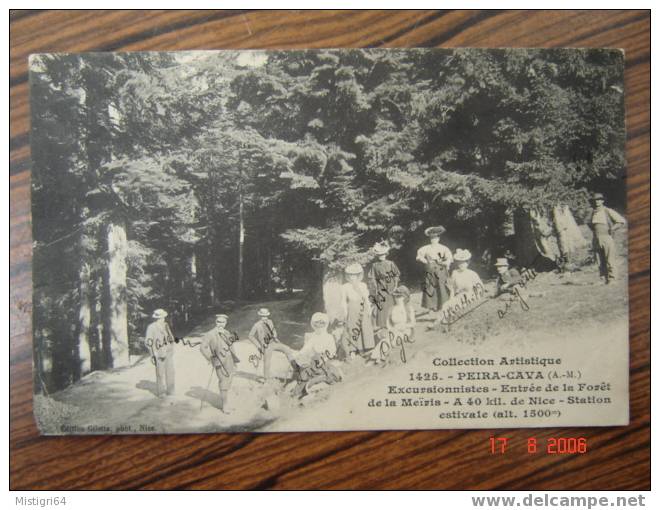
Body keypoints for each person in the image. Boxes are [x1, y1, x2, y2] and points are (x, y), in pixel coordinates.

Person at [200, 314, 239, 413]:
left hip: (229, 359)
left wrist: (234, 361)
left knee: (229, 380)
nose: (220, 324)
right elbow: (202, 347)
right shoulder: (210, 334)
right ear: (215, 322)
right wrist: (211, 358)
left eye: (223, 322)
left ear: (226, 323)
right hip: (219, 361)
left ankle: (225, 400)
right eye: (218, 322)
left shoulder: (227, 332)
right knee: (223, 381)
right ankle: (225, 406)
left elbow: (231, 346)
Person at [370, 285, 416, 364]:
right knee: (387, 338)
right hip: (394, 329)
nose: (397, 299)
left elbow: (413, 323)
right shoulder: (392, 309)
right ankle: (377, 357)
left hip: (406, 330)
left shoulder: (408, 308)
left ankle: (381, 356)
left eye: (400, 297)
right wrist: (391, 329)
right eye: (396, 297)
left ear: (405, 297)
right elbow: (389, 323)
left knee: (393, 338)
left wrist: (404, 326)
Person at [589, 192, 626, 284]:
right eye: (595, 200)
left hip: (607, 237)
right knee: (599, 260)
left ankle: (612, 279)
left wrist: (612, 228)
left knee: (610, 259)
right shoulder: (593, 212)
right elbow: (590, 224)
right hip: (596, 238)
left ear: (602, 201)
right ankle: (603, 278)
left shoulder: (607, 211)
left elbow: (621, 221)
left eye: (599, 200)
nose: (597, 202)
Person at [340, 263, 375, 356]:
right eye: (350, 275)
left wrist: (369, 309)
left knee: (364, 326)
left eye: (354, 275)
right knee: (353, 328)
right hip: (351, 309)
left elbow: (366, 298)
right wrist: (345, 312)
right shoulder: (345, 287)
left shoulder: (362, 285)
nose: (352, 277)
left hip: (362, 308)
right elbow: (343, 301)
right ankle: (353, 349)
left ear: (358, 275)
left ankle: (365, 347)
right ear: (348, 275)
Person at [416, 226, 453, 312]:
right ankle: (431, 306)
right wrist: (426, 261)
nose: (434, 239)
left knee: (441, 286)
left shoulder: (444, 248)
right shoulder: (425, 248)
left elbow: (449, 259)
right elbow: (419, 257)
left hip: (440, 270)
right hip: (430, 270)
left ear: (439, 238)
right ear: (430, 238)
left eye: (435, 238)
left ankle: (443, 305)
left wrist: (445, 263)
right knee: (430, 287)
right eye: (432, 238)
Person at [367, 241, 400, 330]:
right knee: (383, 304)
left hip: (391, 286)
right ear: (377, 256)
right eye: (380, 255)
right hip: (381, 287)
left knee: (392, 303)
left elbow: (396, 274)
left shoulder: (390, 263)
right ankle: (383, 323)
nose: (382, 256)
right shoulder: (375, 265)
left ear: (386, 254)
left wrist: (395, 285)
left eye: (383, 254)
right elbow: (372, 277)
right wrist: (375, 288)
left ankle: (394, 321)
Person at [144, 308, 176, 399]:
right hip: (158, 353)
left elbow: (170, 336)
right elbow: (148, 341)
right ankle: (161, 392)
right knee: (160, 373)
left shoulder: (166, 325)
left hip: (168, 352)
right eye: (162, 317)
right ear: (157, 318)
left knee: (170, 371)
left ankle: (171, 390)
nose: (164, 319)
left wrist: (171, 345)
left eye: (164, 317)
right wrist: (153, 353)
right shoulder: (151, 327)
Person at [248, 308, 279, 376]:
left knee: (287, 349)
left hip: (273, 342)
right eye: (262, 316)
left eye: (265, 316)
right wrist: (259, 346)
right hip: (265, 345)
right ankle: (266, 378)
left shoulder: (270, 321)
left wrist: (275, 337)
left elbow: (274, 330)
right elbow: (250, 336)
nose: (264, 318)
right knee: (267, 361)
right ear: (260, 316)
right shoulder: (257, 325)